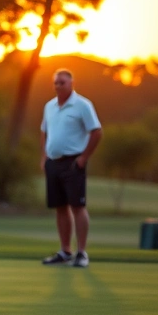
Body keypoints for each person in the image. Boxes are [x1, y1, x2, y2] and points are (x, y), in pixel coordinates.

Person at [40, 69, 102, 267]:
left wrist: (84, 158)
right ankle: (65, 251)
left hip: (74, 162)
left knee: (77, 206)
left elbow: (96, 131)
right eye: (56, 83)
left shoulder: (82, 105)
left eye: (62, 82)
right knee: (60, 208)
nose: (58, 86)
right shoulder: (49, 106)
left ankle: (81, 253)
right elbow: (44, 132)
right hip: (54, 162)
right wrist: (44, 157)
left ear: (72, 83)